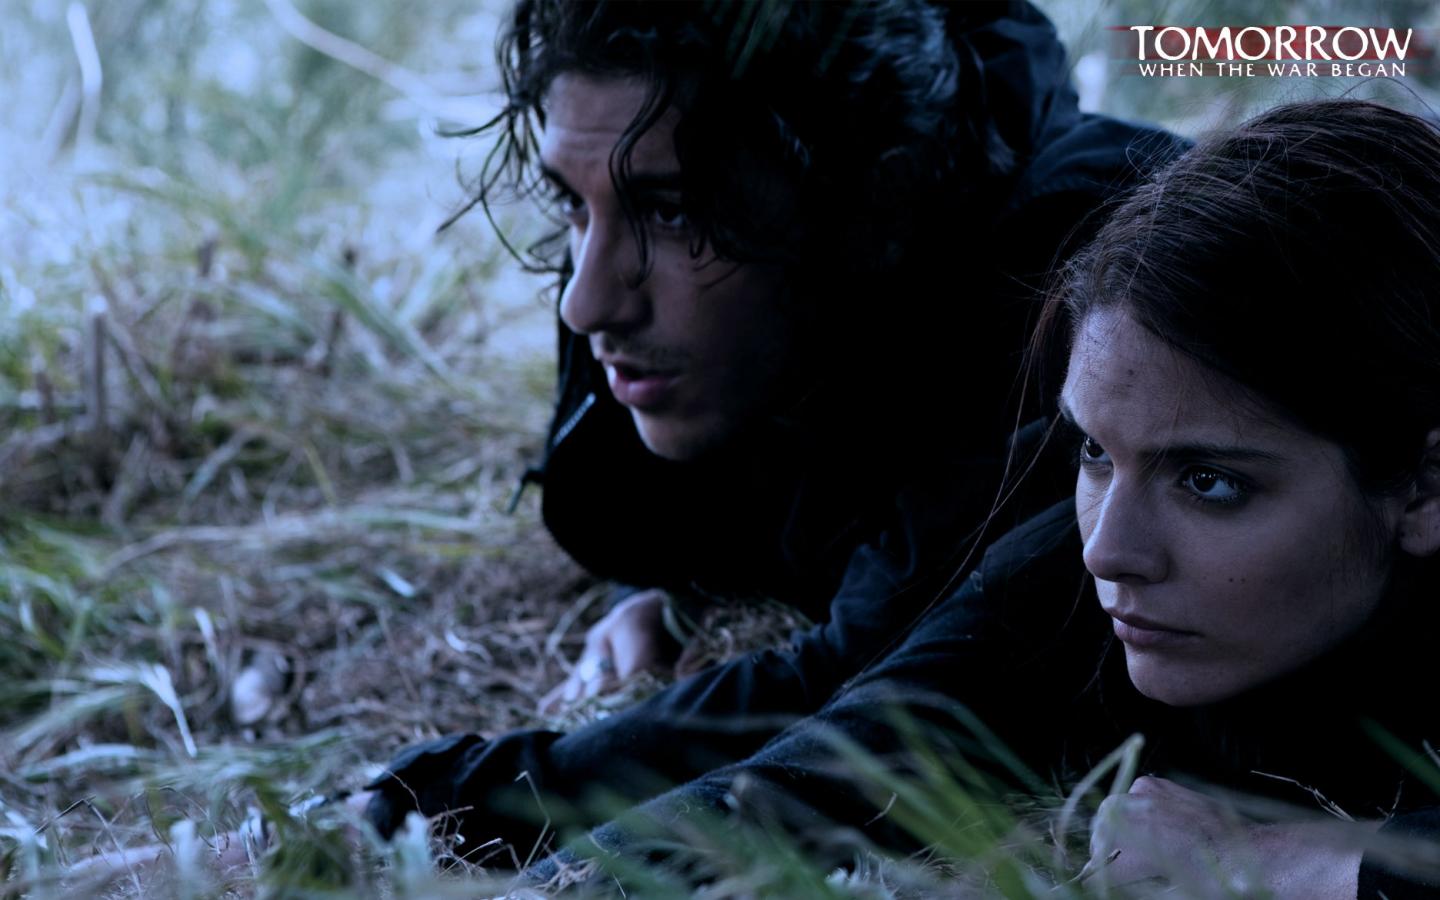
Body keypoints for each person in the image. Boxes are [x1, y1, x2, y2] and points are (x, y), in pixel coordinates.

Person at [374, 97, 1440, 897]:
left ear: (1425, 486)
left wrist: (1314, 866)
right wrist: (436, 811)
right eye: (1091, 452)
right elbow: (836, 763)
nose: (1110, 549)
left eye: (1211, 482)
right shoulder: (1068, 573)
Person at [360, 0, 1186, 845]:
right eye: (573, 204)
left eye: (672, 211)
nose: (586, 300)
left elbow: (868, 679)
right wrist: (664, 587)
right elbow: (646, 496)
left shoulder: (1079, 276)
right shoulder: (712, 299)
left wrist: (444, 801)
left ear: (873, 195)